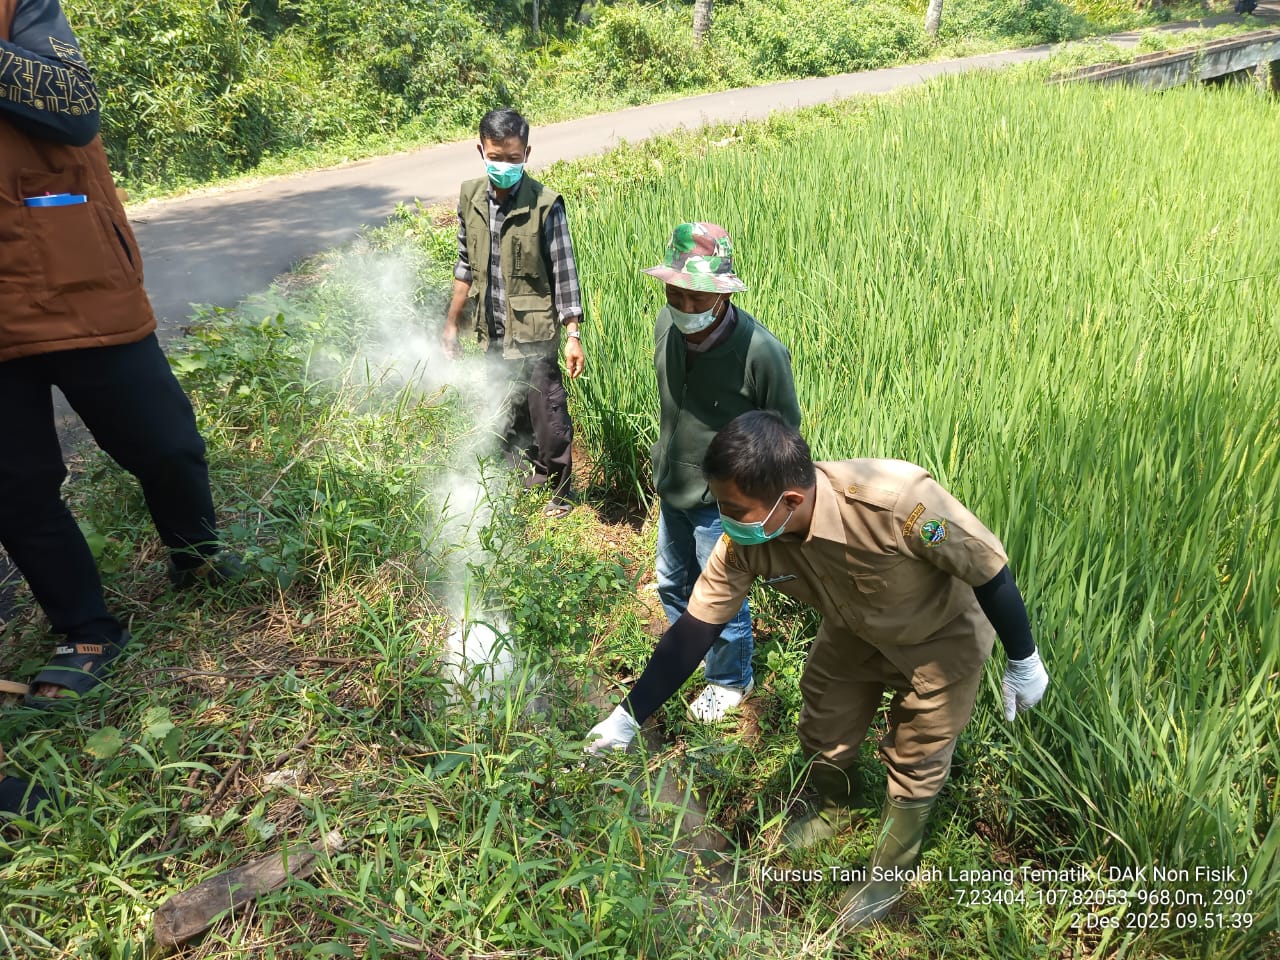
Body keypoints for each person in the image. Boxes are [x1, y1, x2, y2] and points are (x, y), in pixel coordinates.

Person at [585, 411, 1050, 929]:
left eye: (735, 509)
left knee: (919, 756)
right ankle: (835, 806)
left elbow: (987, 568)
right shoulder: (747, 540)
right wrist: (628, 716)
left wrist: (1023, 658)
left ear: (790, 502)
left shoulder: (897, 502)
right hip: (853, 628)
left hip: (939, 640)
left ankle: (889, 875)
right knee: (822, 719)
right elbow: (696, 629)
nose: (727, 518)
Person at [0, 0, 242, 765]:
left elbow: (71, 109)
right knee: (14, 486)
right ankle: (85, 631)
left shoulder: (23, 6)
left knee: (165, 442)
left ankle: (196, 558)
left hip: (79, 281)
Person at [642, 223, 800, 722]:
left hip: (725, 502)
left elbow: (784, 435)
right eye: (676, 293)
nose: (686, 307)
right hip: (674, 485)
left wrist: (764, 509)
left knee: (724, 596)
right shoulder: (666, 325)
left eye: (698, 297)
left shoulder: (761, 353)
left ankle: (730, 679)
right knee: (671, 581)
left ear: (723, 294)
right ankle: (688, 654)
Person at [441, 108, 586, 518]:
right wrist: (452, 323)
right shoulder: (470, 198)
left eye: (513, 157)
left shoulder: (545, 204)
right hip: (492, 329)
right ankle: (521, 479)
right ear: (480, 151)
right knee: (505, 409)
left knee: (548, 414)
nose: (504, 165)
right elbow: (465, 266)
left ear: (527, 152)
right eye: (496, 156)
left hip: (536, 332)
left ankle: (560, 492)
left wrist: (573, 334)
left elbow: (565, 273)